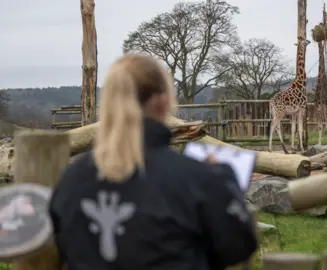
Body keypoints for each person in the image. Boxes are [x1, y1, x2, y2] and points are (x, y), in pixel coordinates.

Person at [48, 54, 258, 270]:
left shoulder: (71, 180)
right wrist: (223, 179)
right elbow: (238, 246)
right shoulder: (194, 180)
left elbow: (60, 247)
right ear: (162, 101)